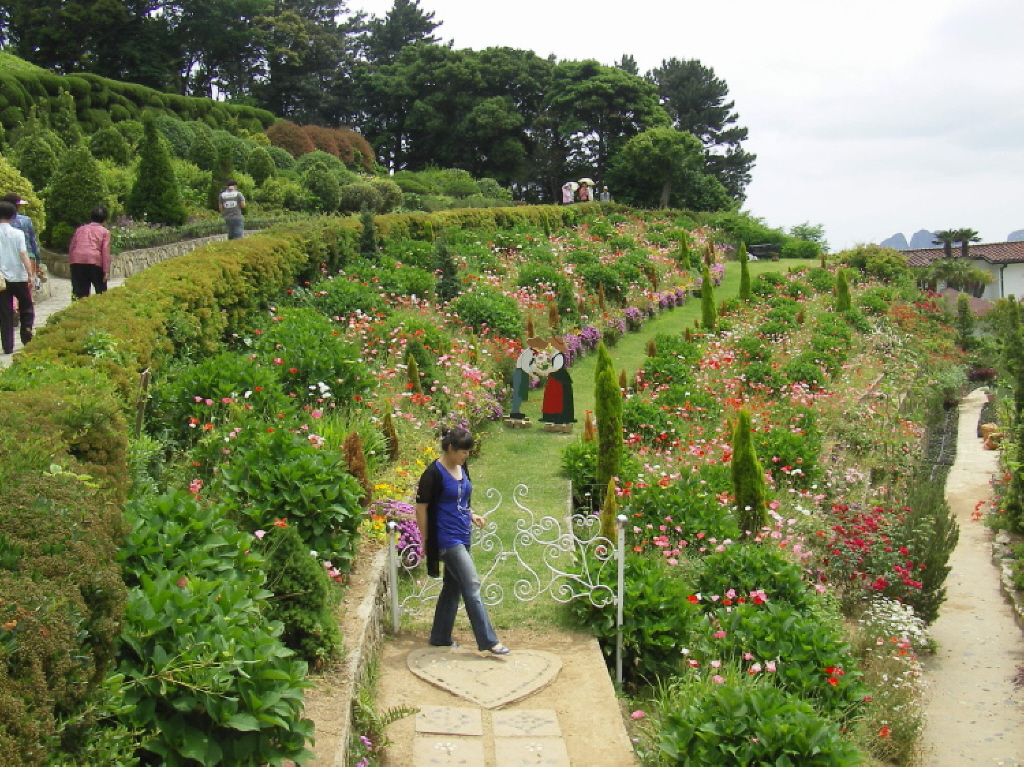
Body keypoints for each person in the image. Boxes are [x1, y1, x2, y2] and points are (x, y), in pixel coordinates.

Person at [415, 427, 510, 655]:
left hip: (463, 534)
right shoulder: (433, 474)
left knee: (452, 587)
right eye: (462, 452)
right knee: (472, 584)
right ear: (450, 448)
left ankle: (439, 637)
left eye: (468, 452)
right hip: (446, 539)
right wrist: (426, 541)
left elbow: (460, 498)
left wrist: (471, 514)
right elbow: (421, 509)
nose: (466, 456)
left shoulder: (461, 467)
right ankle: (488, 640)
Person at [0, 200, 35, 354]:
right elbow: (23, 254)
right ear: (13, 216)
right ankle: (26, 337)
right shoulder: (17, 233)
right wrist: (30, 273)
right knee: (26, 307)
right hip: (18, 276)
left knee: (5, 312)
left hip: (1, 279)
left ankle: (7, 346)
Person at [67, 205, 111, 299]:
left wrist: (71, 264)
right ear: (104, 220)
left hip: (77, 262)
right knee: (101, 293)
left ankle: (77, 312)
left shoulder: (80, 229)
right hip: (95, 262)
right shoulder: (105, 232)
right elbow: (105, 252)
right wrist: (106, 270)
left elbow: (72, 247)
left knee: (79, 294)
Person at [539, 337, 576, 426]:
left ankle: (559, 417)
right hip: (555, 378)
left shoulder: (559, 355)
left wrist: (546, 371)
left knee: (558, 397)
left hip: (559, 379)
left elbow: (556, 368)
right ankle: (552, 416)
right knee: (553, 397)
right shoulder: (556, 353)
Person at [1, 194, 39, 277]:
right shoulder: (26, 220)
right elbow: (33, 242)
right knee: (26, 284)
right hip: (27, 256)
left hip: (4, 257)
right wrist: (38, 261)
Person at [508, 336, 545, 420]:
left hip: (524, 374)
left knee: (521, 393)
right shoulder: (528, 353)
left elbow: (532, 366)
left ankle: (516, 411)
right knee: (518, 393)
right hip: (520, 373)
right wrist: (533, 376)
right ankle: (514, 412)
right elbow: (525, 367)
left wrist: (540, 372)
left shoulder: (533, 353)